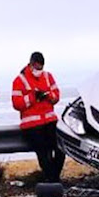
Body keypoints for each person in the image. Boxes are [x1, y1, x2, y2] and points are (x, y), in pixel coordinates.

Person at [11, 52, 65, 182]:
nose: (38, 70)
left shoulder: (47, 76)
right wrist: (33, 97)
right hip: (32, 125)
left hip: (50, 121)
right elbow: (17, 103)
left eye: (40, 67)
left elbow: (56, 96)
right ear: (30, 64)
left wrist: (47, 96)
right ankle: (52, 180)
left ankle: (53, 178)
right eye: (36, 67)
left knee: (60, 150)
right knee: (43, 153)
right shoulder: (19, 80)